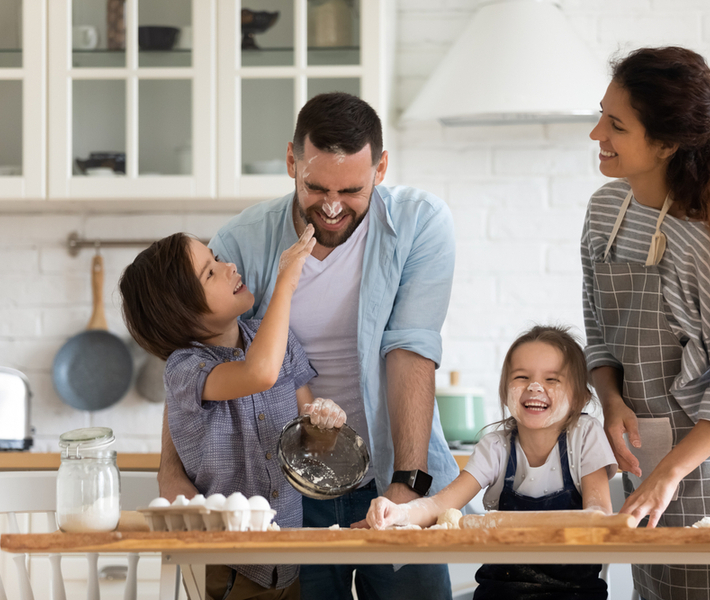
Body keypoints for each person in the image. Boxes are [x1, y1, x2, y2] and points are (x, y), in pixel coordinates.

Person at [156, 92, 460, 600]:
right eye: (316, 187)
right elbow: (193, 360)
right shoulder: (242, 243)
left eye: (352, 189)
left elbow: (410, 351)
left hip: (396, 474)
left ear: (381, 168)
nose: (333, 206)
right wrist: (170, 472)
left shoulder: (420, 224)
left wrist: (406, 484)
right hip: (287, 491)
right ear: (292, 162)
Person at [581, 46, 710, 600]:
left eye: (617, 125)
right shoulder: (603, 212)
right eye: (601, 115)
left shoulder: (706, 247)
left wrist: (666, 475)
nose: (597, 133)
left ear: (666, 144)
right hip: (640, 460)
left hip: (702, 478)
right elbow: (598, 333)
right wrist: (611, 400)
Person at [120, 224, 348, 600]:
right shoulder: (185, 370)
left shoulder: (280, 342)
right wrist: (286, 282)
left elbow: (309, 445)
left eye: (217, 259)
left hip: (289, 561)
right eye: (210, 273)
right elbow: (258, 373)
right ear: (181, 312)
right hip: (228, 568)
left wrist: (325, 422)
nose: (229, 267)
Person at [368, 325, 618, 600]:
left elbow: (598, 515)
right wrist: (398, 513)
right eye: (522, 377)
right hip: (501, 592)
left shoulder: (585, 436)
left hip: (575, 593)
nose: (535, 387)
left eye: (552, 379)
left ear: (581, 397)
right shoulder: (496, 447)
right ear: (504, 391)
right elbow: (440, 505)